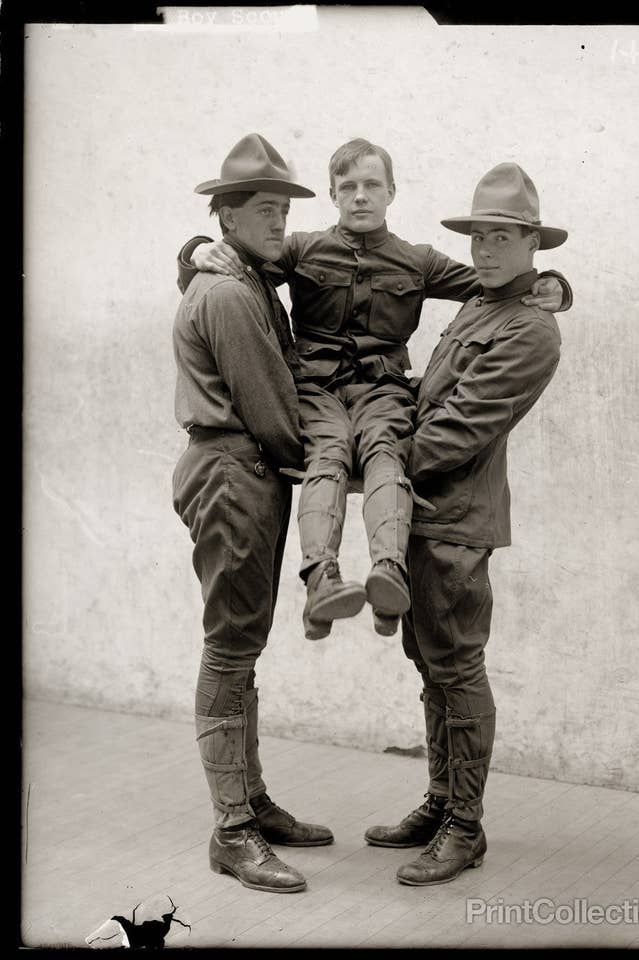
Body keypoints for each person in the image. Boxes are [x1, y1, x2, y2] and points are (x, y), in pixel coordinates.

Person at [177, 139, 573, 641]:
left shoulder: (419, 261)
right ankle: (322, 578)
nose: (360, 196)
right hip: (317, 392)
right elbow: (241, 263)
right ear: (332, 195)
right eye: (348, 187)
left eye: (371, 186)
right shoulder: (300, 250)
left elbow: (494, 280)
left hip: (384, 392)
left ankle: (390, 574)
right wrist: (193, 250)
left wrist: (555, 283)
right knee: (327, 457)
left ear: (391, 192)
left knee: (388, 455)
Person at [364, 162, 568, 886]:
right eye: (478, 234)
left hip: (457, 522)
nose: (484, 249)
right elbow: (429, 396)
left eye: (502, 235)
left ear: (533, 242)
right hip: (420, 515)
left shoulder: (531, 330)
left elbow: (458, 429)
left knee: (457, 665)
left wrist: (379, 465)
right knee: (427, 662)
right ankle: (440, 799)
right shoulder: (478, 305)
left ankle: (466, 827)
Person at [171, 133, 334, 895]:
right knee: (230, 649)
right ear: (228, 216)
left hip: (247, 473)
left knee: (243, 644)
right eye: (266, 210)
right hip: (236, 470)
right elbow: (272, 411)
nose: (280, 222)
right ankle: (231, 830)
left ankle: (252, 802)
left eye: (284, 209)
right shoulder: (232, 292)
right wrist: (338, 467)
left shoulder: (243, 273)